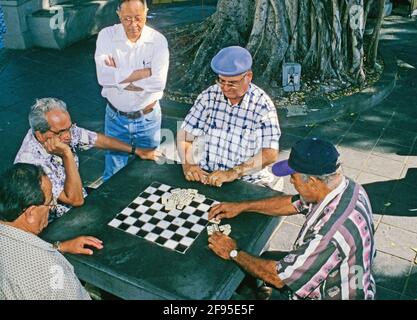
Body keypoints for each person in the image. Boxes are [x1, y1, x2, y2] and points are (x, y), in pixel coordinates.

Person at [208, 137, 376, 300]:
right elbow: (292, 203)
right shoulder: (346, 187)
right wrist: (241, 206)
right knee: (263, 257)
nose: (290, 181)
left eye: (293, 177)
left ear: (311, 181)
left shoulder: (329, 235)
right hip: (346, 277)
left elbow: (279, 278)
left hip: (330, 294)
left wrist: (232, 251)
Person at [14, 97, 158, 219]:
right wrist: (67, 155)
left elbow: (98, 140)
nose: (68, 136)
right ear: (40, 135)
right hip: (57, 222)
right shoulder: (31, 163)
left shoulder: (62, 130)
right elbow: (75, 200)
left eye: (69, 128)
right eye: (60, 132)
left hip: (80, 201)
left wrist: (137, 151)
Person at [177, 46, 281, 190]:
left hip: (248, 182)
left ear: (248, 77)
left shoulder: (263, 106)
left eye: (232, 83)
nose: (225, 88)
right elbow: (185, 135)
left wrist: (233, 173)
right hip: (207, 176)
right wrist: (189, 164)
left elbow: (270, 154)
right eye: (221, 81)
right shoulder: (209, 96)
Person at [0, 164, 103, 299]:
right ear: (30, 213)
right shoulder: (50, 268)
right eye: (49, 202)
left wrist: (58, 247)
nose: (52, 207)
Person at [95, 0, 169, 181]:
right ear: (118, 14)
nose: (133, 25)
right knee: (113, 174)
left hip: (148, 119)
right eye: (127, 19)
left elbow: (158, 82)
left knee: (148, 173)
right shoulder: (106, 36)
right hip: (115, 118)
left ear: (146, 12)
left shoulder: (158, 41)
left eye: (138, 18)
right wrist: (144, 73)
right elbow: (103, 78)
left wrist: (119, 78)